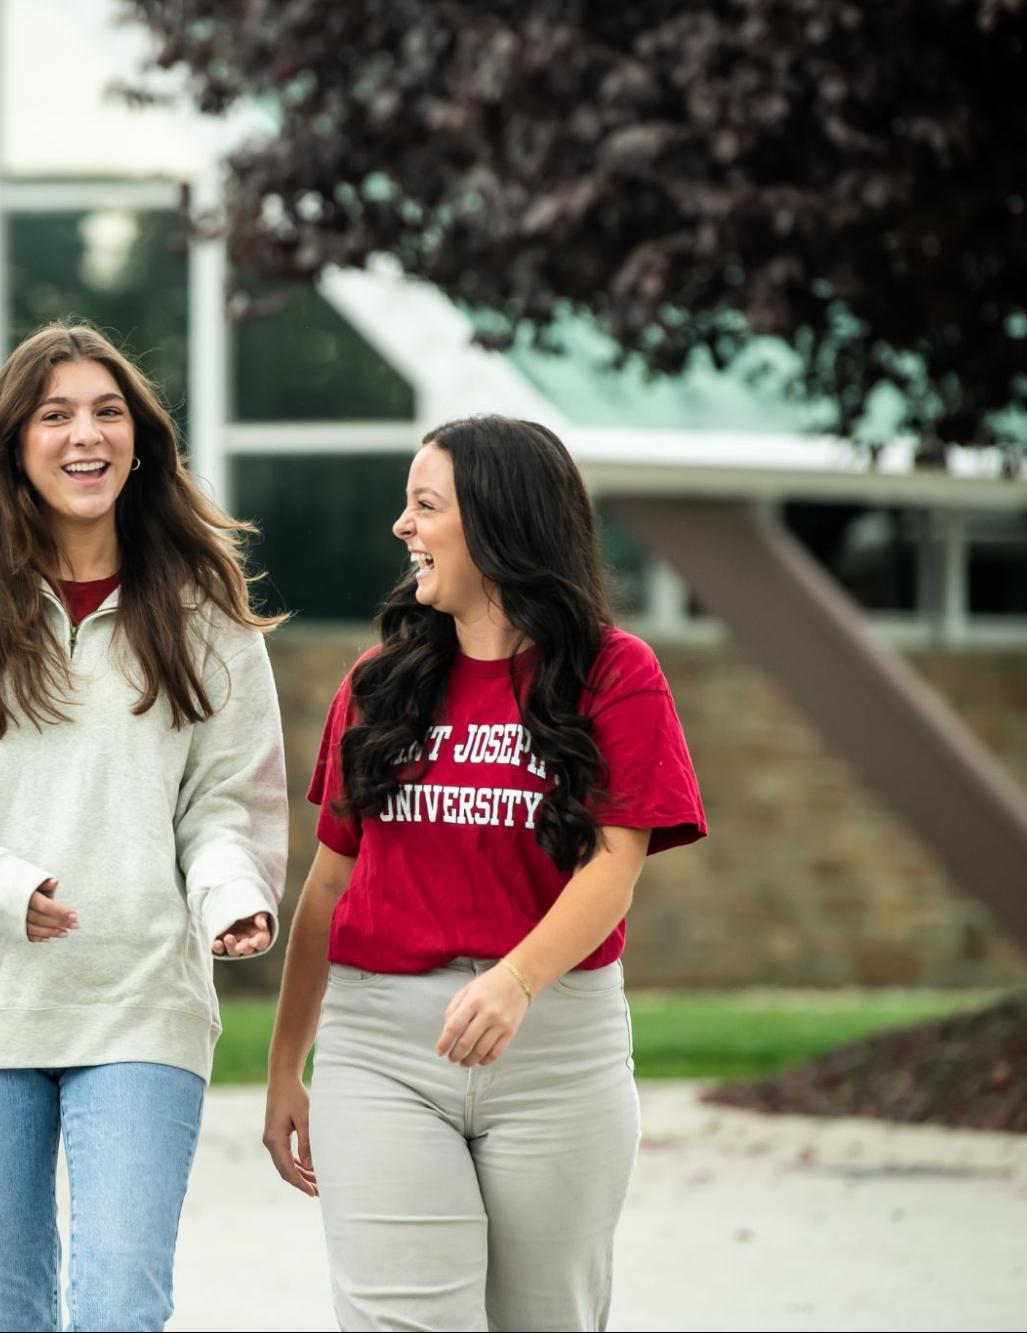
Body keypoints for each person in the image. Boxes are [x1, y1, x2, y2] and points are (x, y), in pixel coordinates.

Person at [0, 321, 288, 1332]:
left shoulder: (205, 616)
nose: (83, 435)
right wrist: (2, 888)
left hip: (140, 999)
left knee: (120, 1305)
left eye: (106, 411)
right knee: (3, 1316)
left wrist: (232, 895)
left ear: (140, 441)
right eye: (54, 415)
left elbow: (229, 798)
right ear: (13, 446)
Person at [263, 415, 707, 1331]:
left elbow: (612, 864)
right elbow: (328, 886)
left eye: (424, 505)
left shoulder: (616, 674)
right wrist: (284, 1063)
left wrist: (515, 979)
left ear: (500, 524)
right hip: (381, 1049)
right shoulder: (379, 681)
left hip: (556, 1048)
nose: (401, 526)